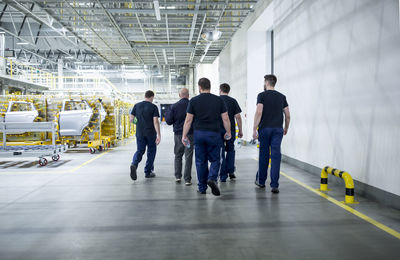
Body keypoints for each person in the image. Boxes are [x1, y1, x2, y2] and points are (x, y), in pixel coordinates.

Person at [182, 78, 231, 196]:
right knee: (216, 159)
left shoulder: (193, 101)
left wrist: (184, 135)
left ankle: (202, 187)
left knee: (200, 161)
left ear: (199, 87)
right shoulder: (218, 100)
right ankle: (212, 178)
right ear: (210, 86)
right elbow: (225, 118)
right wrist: (228, 132)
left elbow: (188, 120)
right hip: (214, 134)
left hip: (198, 134)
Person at [252, 74, 290, 193]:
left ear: (266, 82)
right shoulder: (282, 97)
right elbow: (288, 115)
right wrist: (286, 128)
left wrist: (254, 128)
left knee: (263, 155)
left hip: (265, 129)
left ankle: (261, 182)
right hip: (277, 130)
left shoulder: (261, 95)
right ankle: (274, 185)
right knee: (275, 156)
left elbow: (259, 112)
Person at [129, 90, 161, 180]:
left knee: (140, 150)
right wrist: (159, 134)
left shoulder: (137, 105)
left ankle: (134, 164)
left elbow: (131, 119)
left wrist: (139, 123)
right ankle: (148, 172)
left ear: (145, 96)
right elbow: (155, 121)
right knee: (151, 152)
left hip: (140, 132)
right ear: (152, 97)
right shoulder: (153, 107)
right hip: (150, 133)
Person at [165, 88, 194, 186]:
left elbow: (168, 121)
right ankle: (187, 179)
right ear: (188, 95)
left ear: (179, 95)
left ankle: (178, 176)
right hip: (190, 134)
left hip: (178, 134)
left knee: (178, 155)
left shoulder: (174, 106)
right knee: (188, 156)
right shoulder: (192, 105)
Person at [218, 83, 243, 182]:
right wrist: (240, 130)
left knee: (221, 152)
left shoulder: (217, 100)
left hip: (219, 130)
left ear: (220, 90)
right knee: (230, 150)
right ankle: (231, 171)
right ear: (228, 91)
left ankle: (223, 176)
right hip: (231, 130)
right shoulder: (233, 101)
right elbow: (238, 117)